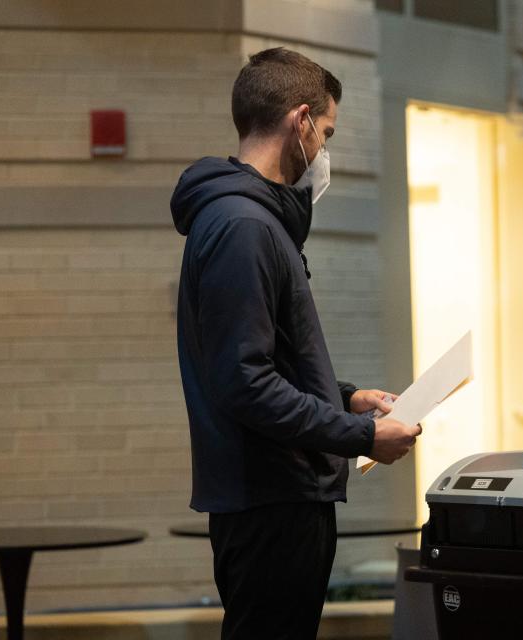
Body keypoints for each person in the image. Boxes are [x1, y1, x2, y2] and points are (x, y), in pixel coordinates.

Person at [170, 47, 420, 640]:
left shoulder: (251, 221)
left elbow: (263, 360)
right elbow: (244, 384)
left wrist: (346, 397)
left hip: (273, 494)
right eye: (326, 132)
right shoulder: (245, 227)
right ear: (300, 120)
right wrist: (360, 435)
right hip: (272, 500)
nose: (324, 150)